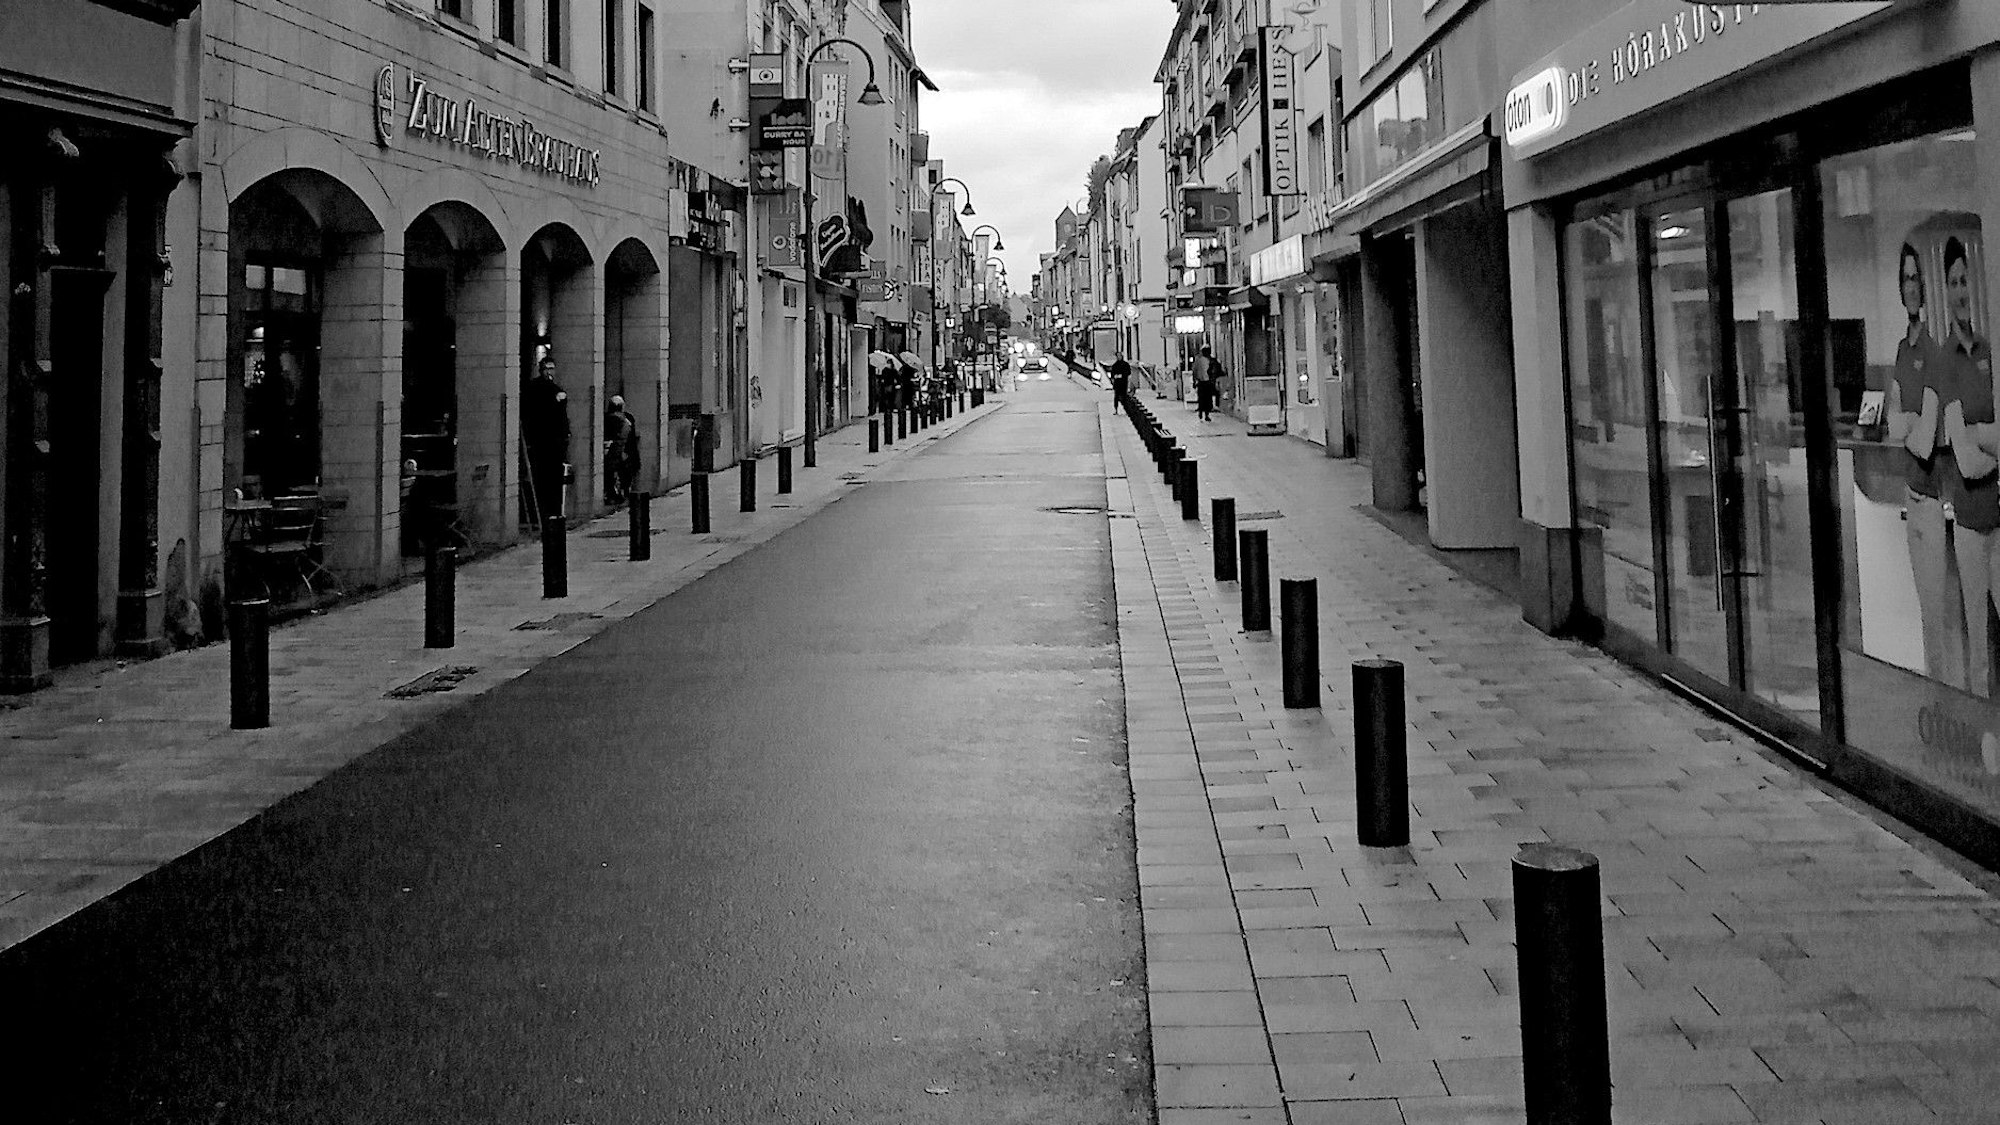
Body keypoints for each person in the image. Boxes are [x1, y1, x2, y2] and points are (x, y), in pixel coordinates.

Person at [523, 356, 571, 524]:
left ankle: (555, 511)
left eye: (552, 369)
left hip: (556, 442)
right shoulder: (535, 389)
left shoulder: (556, 389)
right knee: (542, 478)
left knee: (555, 478)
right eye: (546, 369)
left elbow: (562, 415)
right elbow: (535, 413)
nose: (549, 372)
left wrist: (566, 434)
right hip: (541, 441)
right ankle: (543, 513)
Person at [603, 394, 639, 505]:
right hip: (622, 451)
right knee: (622, 474)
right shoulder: (626, 419)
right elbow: (630, 437)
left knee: (611, 474)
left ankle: (613, 494)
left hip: (612, 451)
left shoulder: (607, 418)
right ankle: (621, 493)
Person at [1194, 345, 1223, 421]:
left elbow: (1195, 371)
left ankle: (1203, 413)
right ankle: (1204, 413)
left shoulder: (1199, 360)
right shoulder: (1209, 360)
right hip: (1207, 382)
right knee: (1206, 398)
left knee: (1204, 398)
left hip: (1204, 382)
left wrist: (1195, 380)